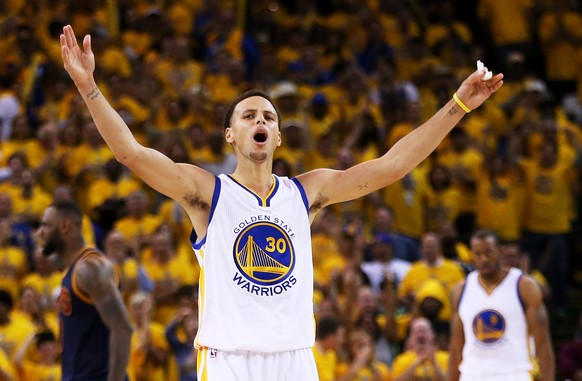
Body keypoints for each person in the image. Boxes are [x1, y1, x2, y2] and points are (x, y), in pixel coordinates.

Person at [60, 24, 503, 380]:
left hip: (294, 358)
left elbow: (392, 167)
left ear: (277, 136)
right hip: (229, 360)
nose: (260, 120)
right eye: (249, 115)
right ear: (231, 134)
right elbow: (131, 154)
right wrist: (89, 89)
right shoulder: (207, 192)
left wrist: (457, 106)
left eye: (268, 117)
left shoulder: (305, 192)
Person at [37, 201, 133, 381]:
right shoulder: (73, 269)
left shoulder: (90, 267)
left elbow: (122, 328)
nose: (40, 232)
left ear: (64, 226)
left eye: (46, 225)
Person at [448, 229, 554, 381]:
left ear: (500, 251)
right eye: (477, 254)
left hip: (515, 375)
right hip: (472, 375)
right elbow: (455, 350)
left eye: (488, 253)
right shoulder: (460, 290)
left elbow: (543, 345)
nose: (483, 259)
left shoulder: (524, 286)